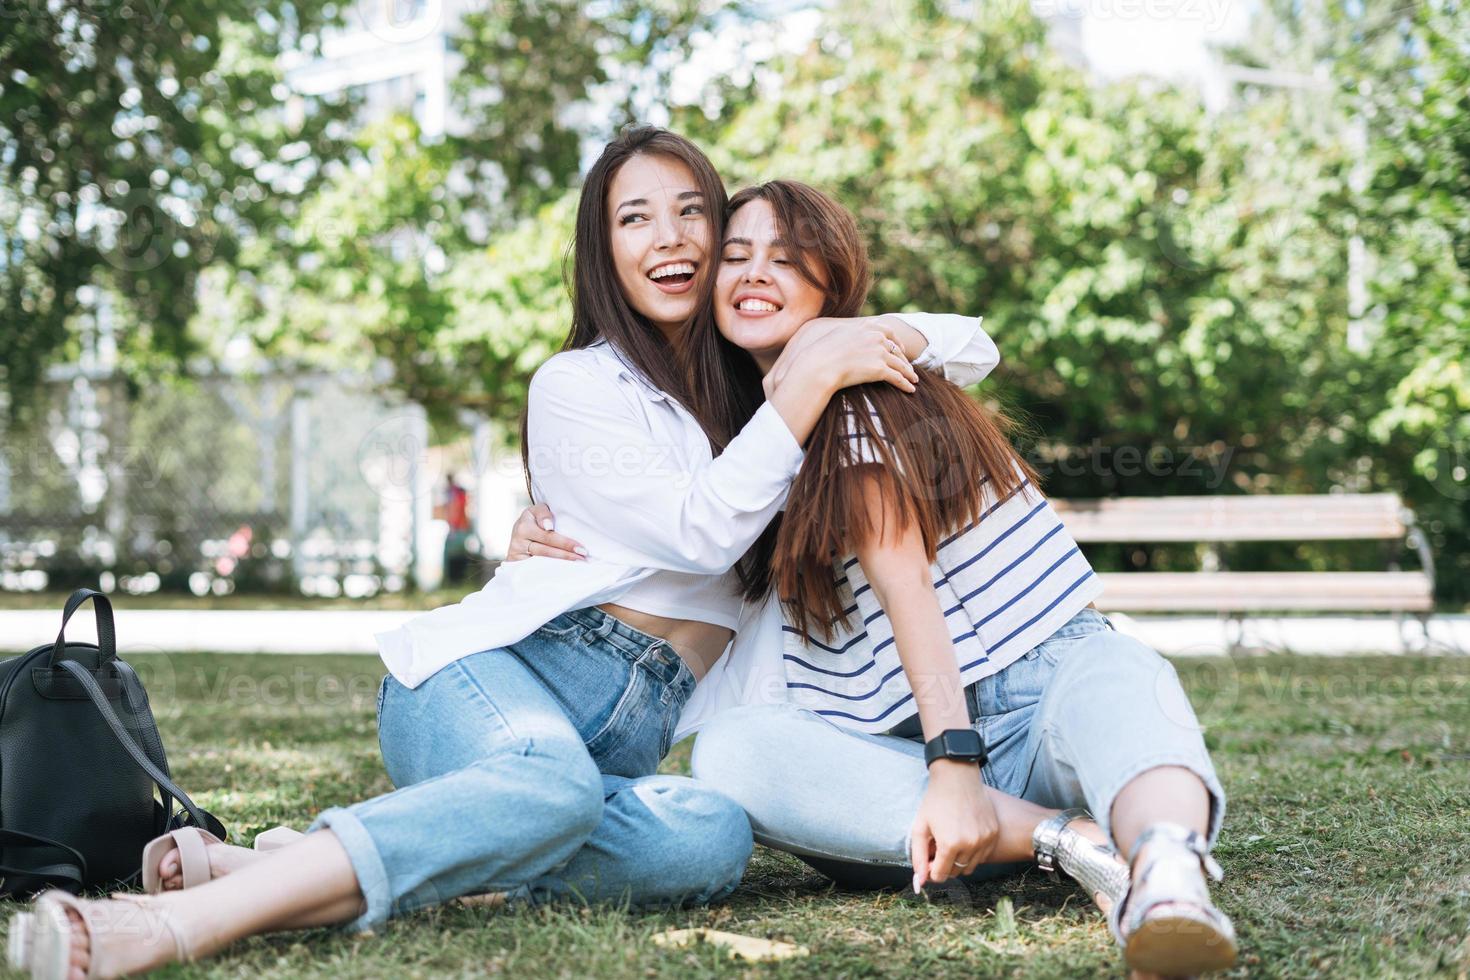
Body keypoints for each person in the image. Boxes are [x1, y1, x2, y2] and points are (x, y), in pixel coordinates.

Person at [4, 129, 995, 980]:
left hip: (623, 739)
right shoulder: (578, 385)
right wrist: (805, 384)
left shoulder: (766, 387)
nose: (671, 238)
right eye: (636, 217)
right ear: (603, 249)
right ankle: (177, 922)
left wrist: (838, 346)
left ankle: (317, 852)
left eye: (694, 212)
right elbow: (703, 528)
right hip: (493, 678)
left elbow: (971, 340)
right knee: (548, 782)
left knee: (711, 836)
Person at [513, 181, 1238, 977]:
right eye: (737, 255)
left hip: (1032, 688)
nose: (756, 274)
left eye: (787, 260)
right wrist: (546, 531)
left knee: (1121, 677)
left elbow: (907, 592)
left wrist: (955, 767)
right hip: (901, 749)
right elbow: (682, 530)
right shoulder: (753, 442)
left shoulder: (857, 390)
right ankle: (1071, 842)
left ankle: (1169, 876)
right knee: (731, 755)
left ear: (832, 286)